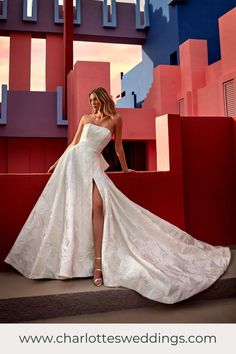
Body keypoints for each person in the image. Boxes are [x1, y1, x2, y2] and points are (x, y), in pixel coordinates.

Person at [4, 87, 231, 304]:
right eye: (90, 100)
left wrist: (125, 169)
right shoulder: (85, 119)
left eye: (95, 99)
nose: (92, 103)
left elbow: (119, 147)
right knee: (71, 209)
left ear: (103, 98)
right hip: (73, 164)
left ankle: (98, 265)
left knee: (98, 205)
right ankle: (68, 262)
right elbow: (73, 144)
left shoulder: (115, 120)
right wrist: (57, 163)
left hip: (92, 164)